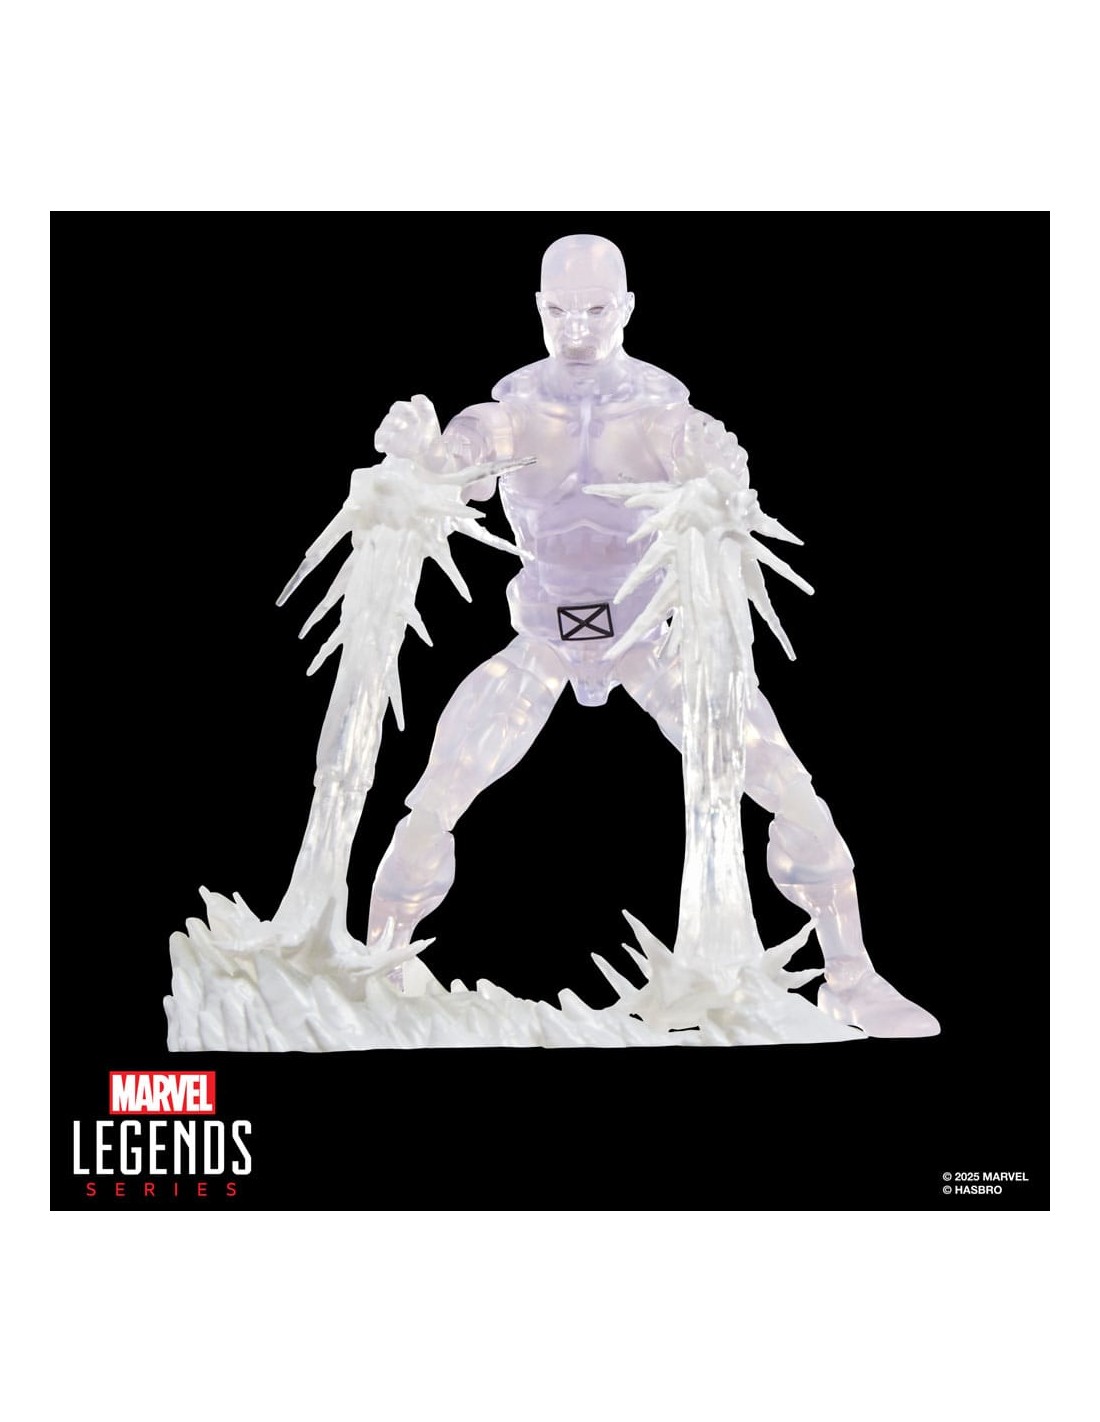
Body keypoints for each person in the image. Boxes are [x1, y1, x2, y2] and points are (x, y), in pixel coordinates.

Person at [363, 234, 938, 1037]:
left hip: (646, 640)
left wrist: (720, 467)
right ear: (538, 309)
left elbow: (707, 461)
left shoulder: (659, 415)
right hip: (542, 641)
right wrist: (422, 453)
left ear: (627, 308)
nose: (577, 328)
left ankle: (850, 975)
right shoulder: (512, 414)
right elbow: (459, 462)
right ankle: (378, 973)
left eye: (596, 310)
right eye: (561, 311)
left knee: (791, 791)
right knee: (433, 801)